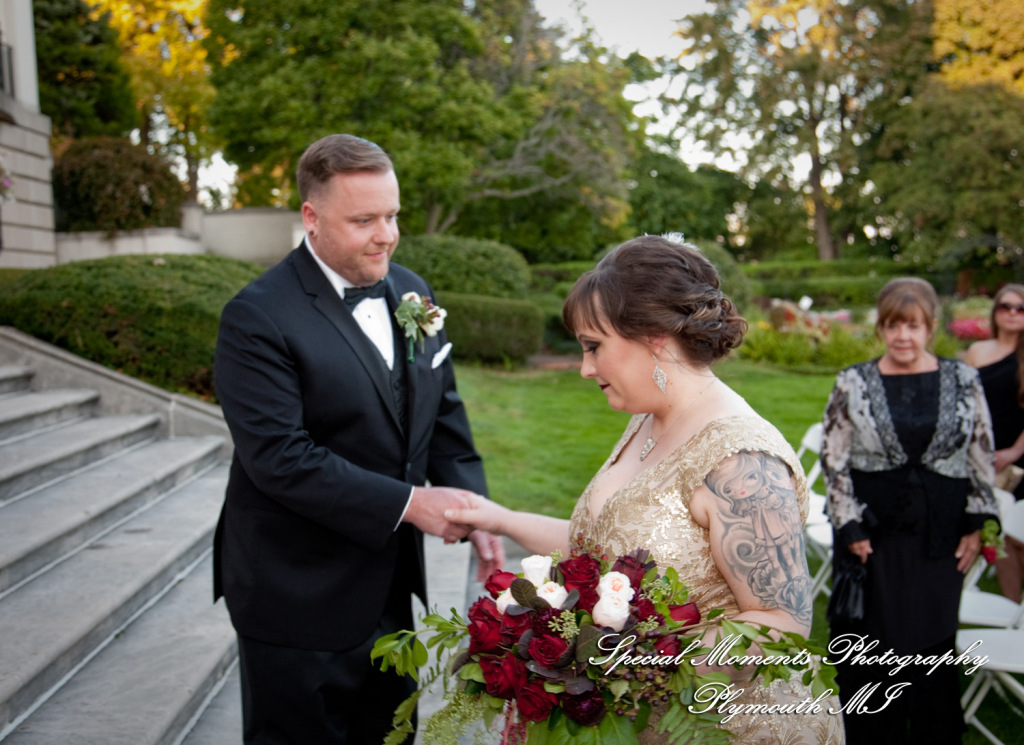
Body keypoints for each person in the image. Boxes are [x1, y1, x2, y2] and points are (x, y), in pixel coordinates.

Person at [444, 235, 844, 744]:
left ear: (654, 336)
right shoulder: (648, 421)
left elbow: (781, 621)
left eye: (594, 346)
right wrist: (494, 516)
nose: (586, 367)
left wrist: (628, 668)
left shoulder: (742, 463)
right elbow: (602, 550)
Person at [213, 133, 504, 745]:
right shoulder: (256, 316)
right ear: (312, 218)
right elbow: (280, 460)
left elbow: (442, 411)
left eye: (393, 215)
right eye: (365, 220)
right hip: (293, 591)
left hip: (390, 590)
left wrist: (474, 509)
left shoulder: (412, 291)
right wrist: (410, 504)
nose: (387, 235)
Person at [820, 277, 999, 745]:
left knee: (932, 647)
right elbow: (833, 459)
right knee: (877, 649)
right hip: (873, 541)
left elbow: (982, 452)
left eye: (913, 325)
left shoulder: (963, 379)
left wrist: (979, 524)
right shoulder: (853, 382)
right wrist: (849, 524)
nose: (903, 336)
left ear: (931, 327)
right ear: (881, 328)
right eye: (894, 325)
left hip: (941, 541)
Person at [966, 284, 1024, 601]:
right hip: (983, 452)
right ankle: (1012, 602)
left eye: (1020, 308)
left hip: (1018, 454)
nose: (1013, 313)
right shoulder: (978, 351)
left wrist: (1015, 451)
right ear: (996, 312)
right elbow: (969, 404)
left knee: (1018, 534)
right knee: (995, 532)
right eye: (1006, 307)